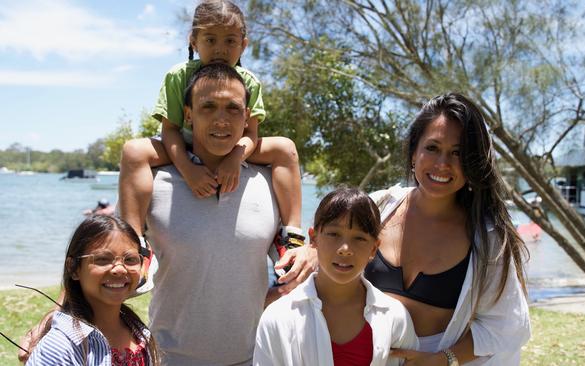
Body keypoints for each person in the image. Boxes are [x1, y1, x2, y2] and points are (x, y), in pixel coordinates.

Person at [144, 62, 316, 365]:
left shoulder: (269, 181)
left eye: (233, 109)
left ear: (247, 116)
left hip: (254, 357)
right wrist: (61, 311)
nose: (221, 120)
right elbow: (109, 252)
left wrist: (312, 253)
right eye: (208, 107)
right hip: (168, 358)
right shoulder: (155, 181)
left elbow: (296, 262)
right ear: (187, 115)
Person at [118, 0, 305, 260]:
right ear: (194, 41)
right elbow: (170, 129)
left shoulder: (249, 81)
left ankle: (291, 235)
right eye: (210, 40)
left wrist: (234, 159)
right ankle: (132, 242)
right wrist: (188, 169)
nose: (220, 49)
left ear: (244, 44)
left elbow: (251, 134)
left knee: (285, 148)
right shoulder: (178, 76)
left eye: (230, 41)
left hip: (234, 144)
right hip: (182, 143)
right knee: (134, 151)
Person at [364, 93, 530, 365]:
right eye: (432, 148)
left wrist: (444, 360)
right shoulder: (376, 208)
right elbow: (332, 256)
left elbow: (508, 324)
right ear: (413, 152)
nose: (443, 164)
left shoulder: (487, 237)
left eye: (458, 153)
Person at [254, 187, 418, 366]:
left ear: (373, 248)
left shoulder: (395, 317)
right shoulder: (278, 317)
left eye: (359, 238)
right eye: (333, 234)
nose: (345, 249)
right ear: (314, 238)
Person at [25, 215, 159, 365]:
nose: (120, 269)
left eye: (130, 259)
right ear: (73, 268)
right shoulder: (61, 347)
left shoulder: (139, 334)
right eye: (103, 259)